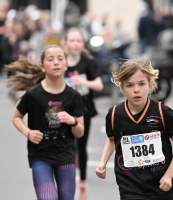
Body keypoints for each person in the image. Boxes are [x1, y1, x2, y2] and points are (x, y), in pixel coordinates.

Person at [95, 59, 173, 199]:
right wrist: (102, 162)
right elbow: (112, 140)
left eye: (141, 84)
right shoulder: (115, 114)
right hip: (130, 186)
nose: (136, 89)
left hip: (161, 185)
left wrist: (168, 175)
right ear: (122, 88)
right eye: (130, 85)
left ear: (150, 85)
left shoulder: (162, 112)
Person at [7, 45, 85, 200]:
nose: (56, 62)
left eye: (60, 59)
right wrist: (27, 132)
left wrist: (73, 121)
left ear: (66, 65)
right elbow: (16, 117)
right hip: (41, 156)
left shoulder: (74, 96)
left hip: (66, 157)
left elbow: (80, 131)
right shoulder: (33, 95)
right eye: (51, 59)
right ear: (42, 67)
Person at [62, 27, 103, 199]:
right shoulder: (60, 62)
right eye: (72, 40)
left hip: (84, 110)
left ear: (83, 44)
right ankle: (68, 179)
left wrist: (83, 83)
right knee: (68, 146)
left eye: (79, 41)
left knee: (82, 146)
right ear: (65, 43)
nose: (75, 44)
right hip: (64, 112)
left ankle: (83, 183)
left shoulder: (88, 63)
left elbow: (99, 85)